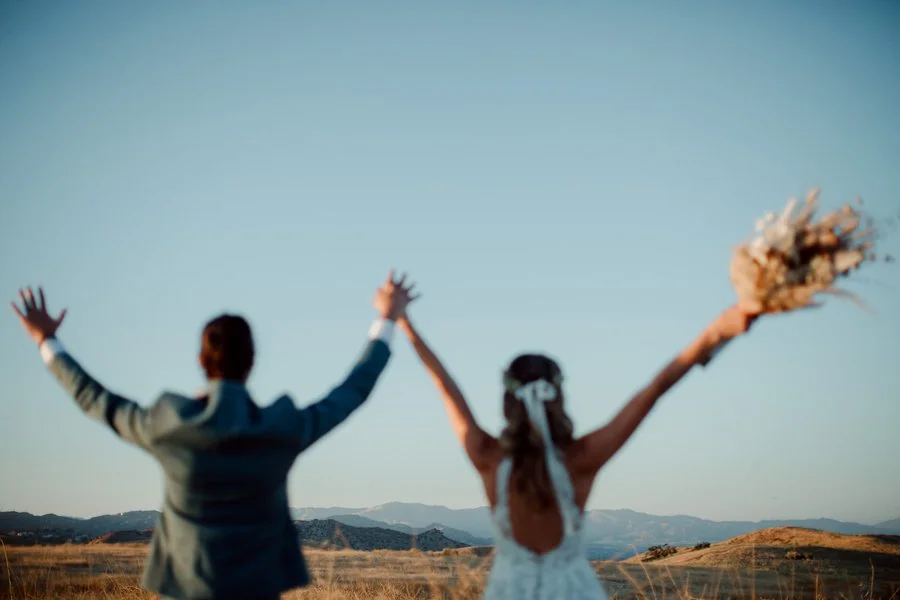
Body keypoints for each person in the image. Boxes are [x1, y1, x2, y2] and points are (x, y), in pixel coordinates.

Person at [9, 272, 417, 600]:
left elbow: (96, 400)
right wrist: (387, 318)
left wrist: (46, 340)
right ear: (252, 362)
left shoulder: (169, 429)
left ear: (201, 361)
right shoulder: (281, 429)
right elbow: (352, 391)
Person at [398, 296, 755, 599]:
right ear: (559, 395)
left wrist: (401, 318)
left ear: (508, 398)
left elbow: (443, 383)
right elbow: (656, 388)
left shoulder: (487, 456)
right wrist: (718, 330)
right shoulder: (582, 459)